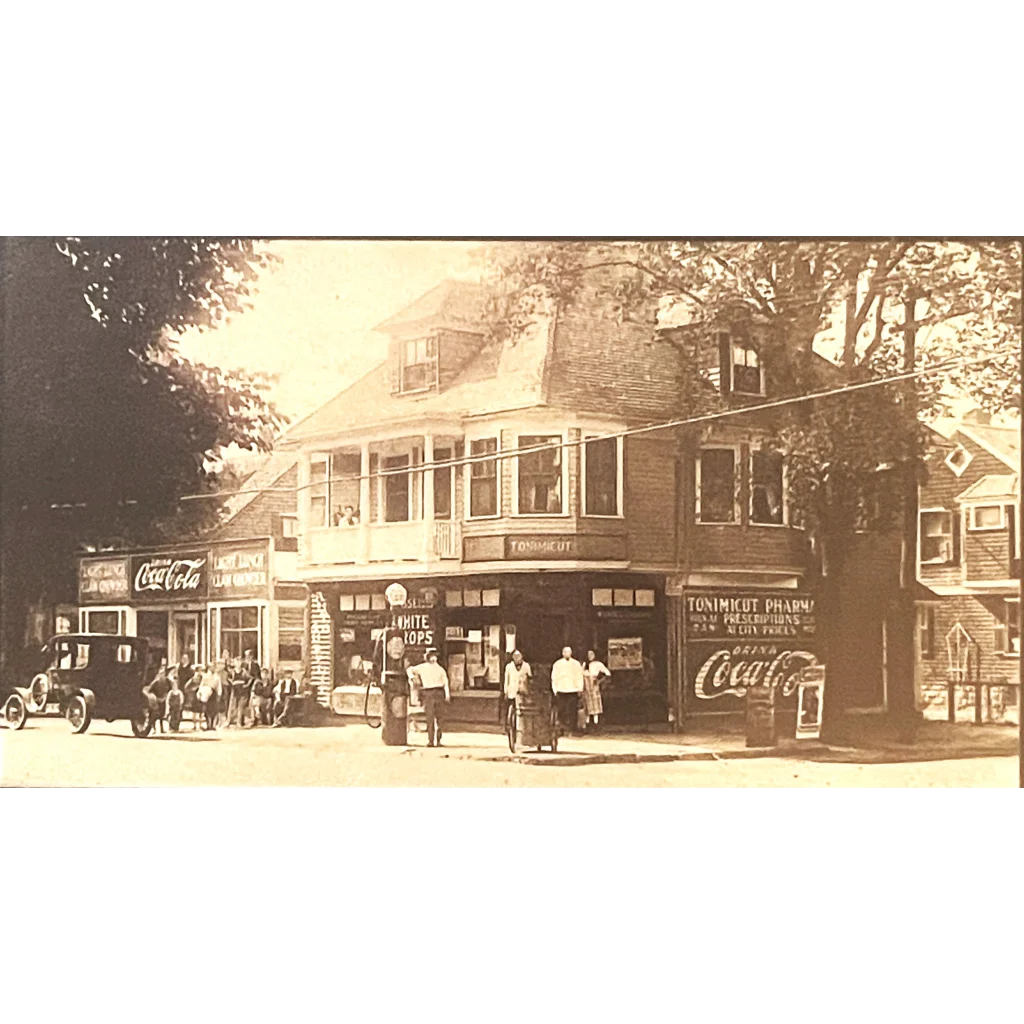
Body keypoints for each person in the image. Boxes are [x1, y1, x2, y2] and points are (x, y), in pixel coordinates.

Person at [409, 649, 449, 747]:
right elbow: (446, 683)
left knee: (432, 717)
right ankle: (435, 740)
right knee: (437, 718)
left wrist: (412, 678)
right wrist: (447, 695)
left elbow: (409, 669)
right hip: (435, 693)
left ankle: (433, 741)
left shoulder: (432, 668)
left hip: (431, 693)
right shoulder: (435, 668)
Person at [551, 646, 585, 736]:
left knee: (572, 710)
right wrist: (555, 689)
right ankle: (562, 728)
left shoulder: (576, 664)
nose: (567, 654)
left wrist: (580, 688)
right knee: (561, 710)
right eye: (565, 652)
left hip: (573, 689)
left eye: (568, 652)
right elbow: (554, 677)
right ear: (562, 653)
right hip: (561, 690)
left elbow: (579, 676)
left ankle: (572, 728)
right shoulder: (557, 664)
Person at [502, 650, 531, 730]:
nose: (517, 658)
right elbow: (506, 680)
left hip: (522, 691)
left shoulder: (526, 666)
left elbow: (530, 678)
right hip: (512, 691)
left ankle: (522, 726)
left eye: (518, 655)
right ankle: (508, 725)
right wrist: (506, 691)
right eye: (515, 656)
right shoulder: (509, 666)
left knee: (522, 709)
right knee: (510, 708)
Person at [583, 649, 611, 731]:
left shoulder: (598, 664)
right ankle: (587, 723)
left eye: (591, 654)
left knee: (595, 704)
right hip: (586, 686)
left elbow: (607, 673)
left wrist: (599, 681)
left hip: (594, 686)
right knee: (587, 704)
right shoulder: (584, 665)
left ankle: (596, 723)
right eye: (588, 654)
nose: (589, 656)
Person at [147, 659, 171, 734]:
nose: (162, 674)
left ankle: (162, 728)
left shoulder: (167, 681)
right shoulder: (156, 681)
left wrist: (165, 696)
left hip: (163, 699)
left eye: (163, 673)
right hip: (156, 699)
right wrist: (155, 698)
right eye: (161, 672)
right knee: (153, 715)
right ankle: (153, 728)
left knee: (161, 715)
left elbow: (169, 688)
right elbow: (150, 689)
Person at [166, 666, 184, 732]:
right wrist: (168, 706)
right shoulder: (170, 692)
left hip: (177, 707)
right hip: (172, 707)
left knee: (177, 717)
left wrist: (181, 705)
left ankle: (176, 727)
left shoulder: (179, 692)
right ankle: (171, 727)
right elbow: (168, 700)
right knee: (171, 717)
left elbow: (182, 699)